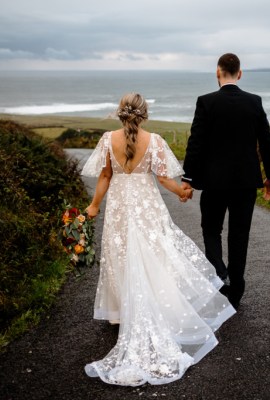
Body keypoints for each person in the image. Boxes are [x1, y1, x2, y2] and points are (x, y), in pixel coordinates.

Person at [81, 93, 236, 386]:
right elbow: (164, 179)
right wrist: (182, 192)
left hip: (119, 205)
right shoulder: (154, 140)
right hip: (147, 204)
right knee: (155, 253)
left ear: (120, 113)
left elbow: (104, 176)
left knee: (119, 254)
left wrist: (94, 206)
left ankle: (120, 313)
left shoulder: (107, 139)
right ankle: (156, 305)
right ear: (144, 114)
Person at [181, 53, 270, 310]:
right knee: (239, 234)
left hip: (213, 183)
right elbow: (267, 142)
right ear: (240, 73)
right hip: (246, 183)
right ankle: (236, 287)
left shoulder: (206, 102)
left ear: (218, 72)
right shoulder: (254, 102)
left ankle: (219, 272)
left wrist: (188, 178)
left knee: (211, 230)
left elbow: (196, 142)